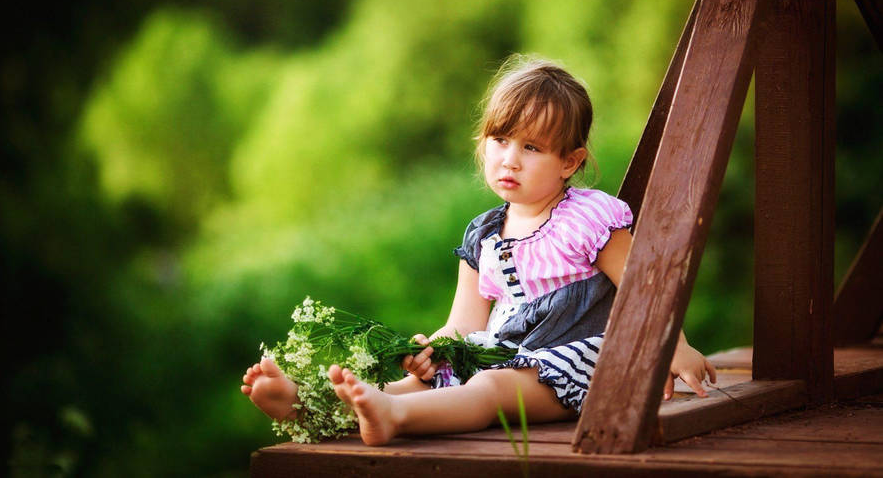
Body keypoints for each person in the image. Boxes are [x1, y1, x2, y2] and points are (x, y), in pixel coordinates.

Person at [241, 56, 716, 446]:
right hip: (503, 355)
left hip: (578, 364)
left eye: (532, 147)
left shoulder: (589, 218)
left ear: (569, 162)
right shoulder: (484, 234)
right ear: (483, 143)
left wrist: (676, 348)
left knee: (490, 387)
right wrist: (433, 350)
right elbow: (465, 325)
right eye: (500, 139)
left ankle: (394, 417)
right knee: (426, 380)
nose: (510, 158)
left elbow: (644, 287)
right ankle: (316, 408)